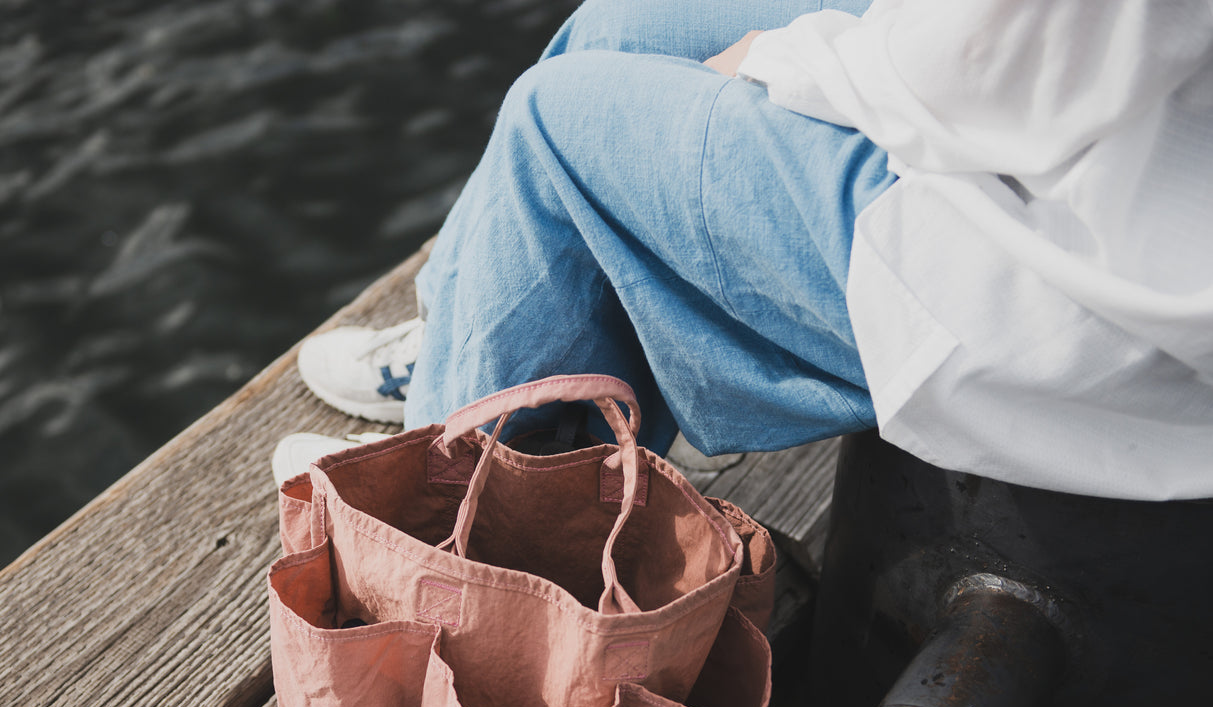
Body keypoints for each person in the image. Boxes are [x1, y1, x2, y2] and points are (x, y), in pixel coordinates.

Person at [281, 0, 1213, 500]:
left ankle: (441, 511)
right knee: (618, 26)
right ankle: (476, 349)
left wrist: (788, 60)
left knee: (555, 120)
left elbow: (995, 77)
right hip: (1081, 133)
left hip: (1070, 264)